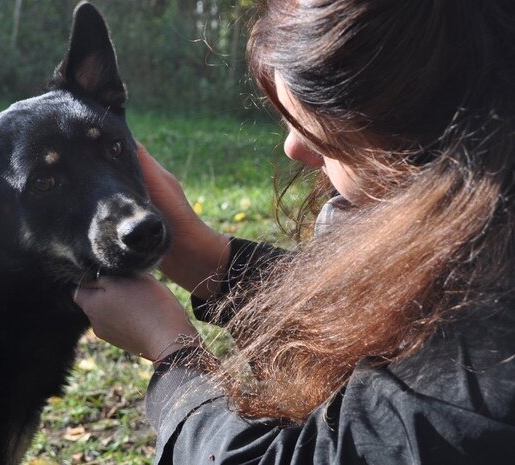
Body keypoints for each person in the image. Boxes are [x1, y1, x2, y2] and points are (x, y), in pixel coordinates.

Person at [74, 0, 515, 463]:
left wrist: (171, 353)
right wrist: (200, 255)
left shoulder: (477, 373)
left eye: (326, 138)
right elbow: (363, 322)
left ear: (428, 139)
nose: (294, 149)